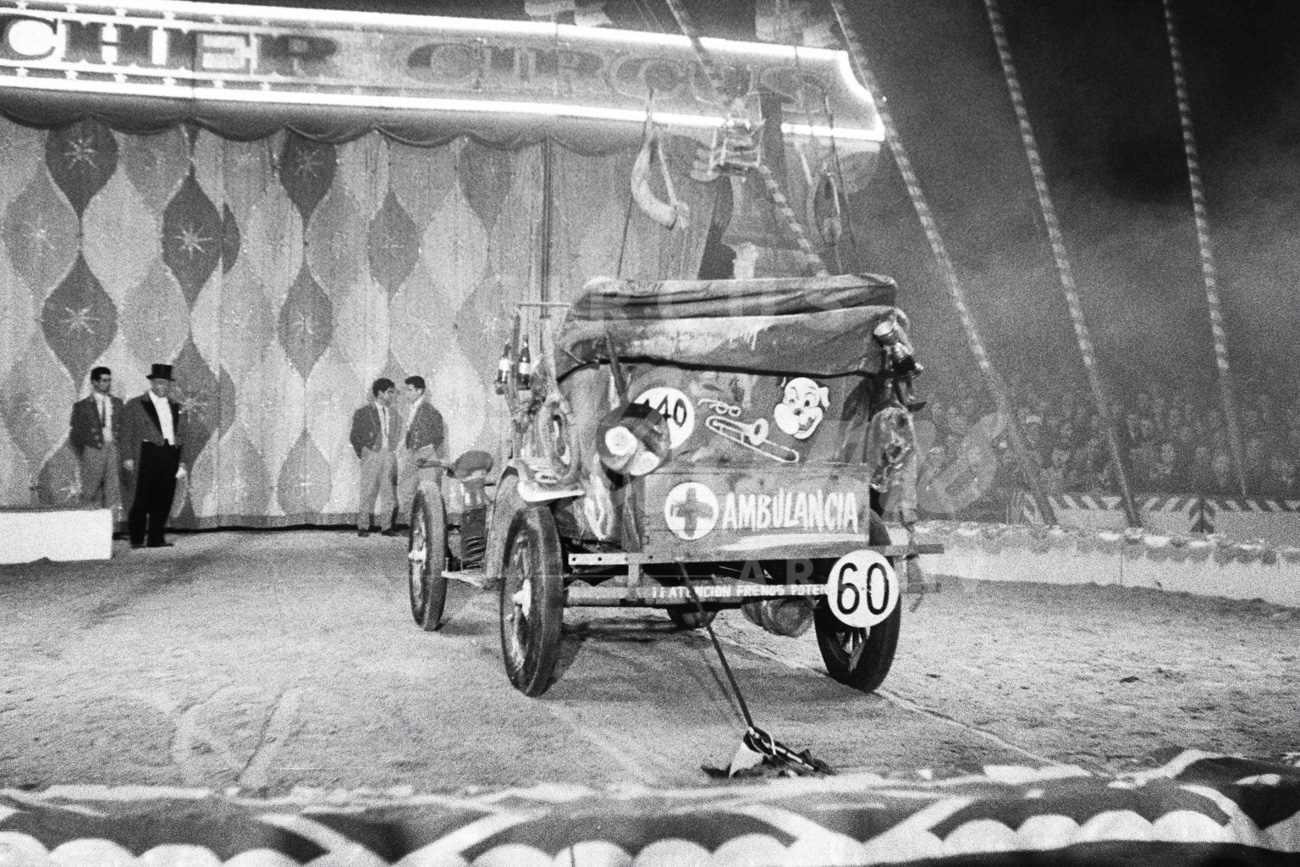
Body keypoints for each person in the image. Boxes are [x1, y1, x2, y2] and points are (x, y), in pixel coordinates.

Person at [121, 363, 186, 549]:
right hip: (146, 452)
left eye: (165, 383)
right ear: (152, 383)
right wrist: (127, 456)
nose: (162, 387)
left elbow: (182, 434)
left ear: (169, 385)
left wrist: (181, 460)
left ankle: (156, 538)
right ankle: (137, 539)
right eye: (158, 383)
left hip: (170, 452)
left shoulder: (175, 405)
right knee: (140, 497)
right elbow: (126, 432)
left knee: (164, 496)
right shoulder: (135, 404)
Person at [69, 366, 125, 525]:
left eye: (109, 380)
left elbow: (124, 427)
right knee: (90, 488)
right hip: (93, 448)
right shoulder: (82, 406)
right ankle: (86, 525)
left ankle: (110, 527)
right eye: (103, 380)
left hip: (113, 448)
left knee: (113, 488)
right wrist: (87, 450)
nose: (107, 384)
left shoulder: (117, 403)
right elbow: (76, 434)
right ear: (94, 382)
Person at [350, 378, 401, 537]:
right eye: (389, 392)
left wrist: (392, 449)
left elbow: (396, 433)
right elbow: (354, 436)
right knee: (367, 490)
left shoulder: (394, 413)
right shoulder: (363, 412)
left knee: (389, 491)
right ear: (380, 393)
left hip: (388, 454)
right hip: (371, 455)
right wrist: (365, 452)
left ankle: (387, 527)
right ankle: (363, 526)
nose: (392, 396)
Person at [396, 375, 446, 527]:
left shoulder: (430, 411)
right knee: (406, 490)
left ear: (419, 391)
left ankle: (432, 531)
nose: (407, 394)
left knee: (429, 493)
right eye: (406, 390)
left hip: (426, 455)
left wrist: (427, 450)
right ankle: (414, 528)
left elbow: (438, 435)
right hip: (413, 454)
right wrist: (407, 447)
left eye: (410, 390)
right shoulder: (413, 409)